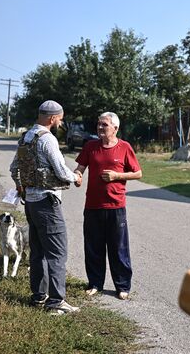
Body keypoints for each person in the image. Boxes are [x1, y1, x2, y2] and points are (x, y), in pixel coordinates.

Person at [10, 99, 82, 315]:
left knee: (38, 251)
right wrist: (75, 177)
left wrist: (22, 188)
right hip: (47, 203)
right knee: (57, 252)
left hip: (30, 202)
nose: (61, 122)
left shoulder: (26, 137)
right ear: (52, 118)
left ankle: (39, 296)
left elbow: (14, 168)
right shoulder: (48, 139)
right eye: (60, 118)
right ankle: (56, 302)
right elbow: (61, 171)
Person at [74, 112, 142, 300]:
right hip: (93, 206)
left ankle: (122, 286)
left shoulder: (124, 147)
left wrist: (117, 176)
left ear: (115, 128)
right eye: (98, 124)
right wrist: (77, 176)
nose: (100, 127)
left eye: (104, 124)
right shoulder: (90, 146)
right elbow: (80, 167)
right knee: (93, 247)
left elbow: (138, 173)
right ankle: (95, 284)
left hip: (116, 206)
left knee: (118, 249)